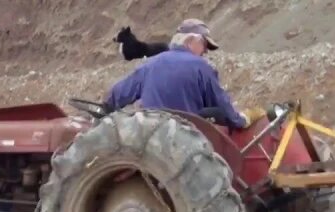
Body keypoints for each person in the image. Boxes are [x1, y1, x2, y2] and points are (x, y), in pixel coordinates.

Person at [103, 19, 250, 130]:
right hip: (184, 135)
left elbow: (119, 92)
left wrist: (105, 109)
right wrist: (240, 120)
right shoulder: (202, 68)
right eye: (205, 45)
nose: (205, 51)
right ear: (190, 41)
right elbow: (221, 103)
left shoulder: (151, 64)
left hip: (150, 134)